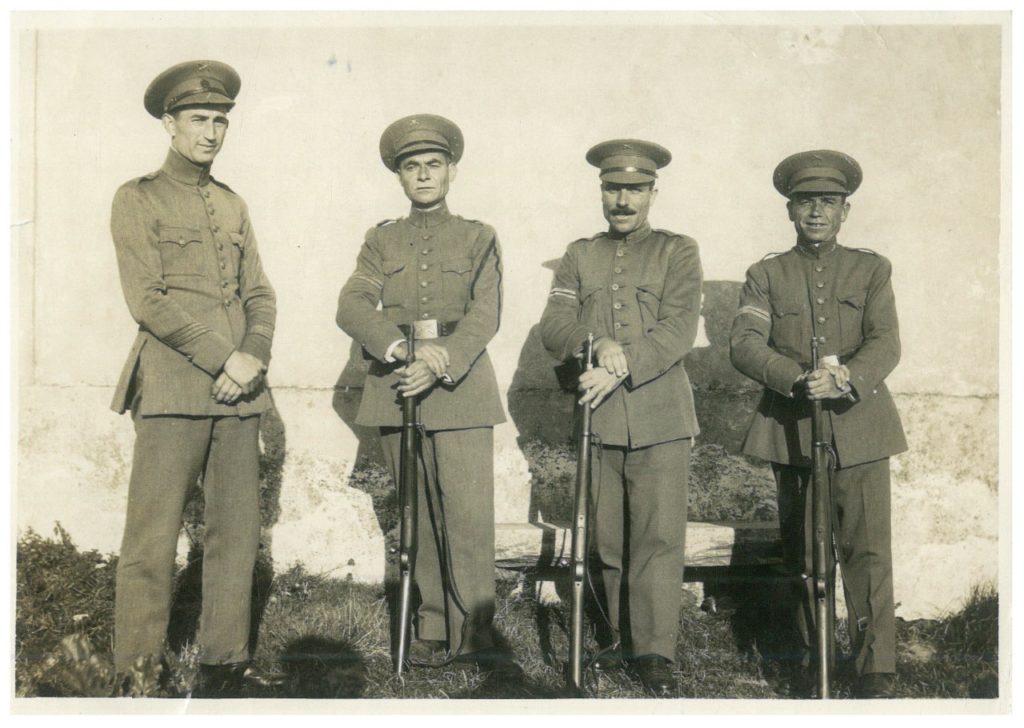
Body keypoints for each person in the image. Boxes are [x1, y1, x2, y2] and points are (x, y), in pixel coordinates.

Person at [109, 60, 277, 696]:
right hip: (176, 388)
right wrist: (222, 357)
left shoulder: (233, 204)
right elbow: (147, 299)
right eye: (199, 120)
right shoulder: (139, 197)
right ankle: (136, 675)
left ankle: (224, 667)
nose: (211, 132)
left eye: (221, 121)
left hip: (241, 395)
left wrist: (253, 353)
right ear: (169, 124)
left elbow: (260, 292)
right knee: (152, 540)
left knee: (235, 535)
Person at [729, 150, 906, 699]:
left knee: (868, 547)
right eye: (806, 202)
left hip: (860, 423)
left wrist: (846, 376)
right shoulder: (765, 275)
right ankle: (814, 657)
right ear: (790, 210)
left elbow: (886, 341)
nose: (816, 213)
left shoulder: (872, 269)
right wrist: (795, 377)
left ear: (845, 211)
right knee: (805, 549)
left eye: (827, 203)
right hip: (793, 427)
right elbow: (744, 343)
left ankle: (876, 665)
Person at [336, 114, 506, 668]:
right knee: (417, 511)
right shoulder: (380, 240)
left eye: (434, 165)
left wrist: (443, 362)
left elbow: (486, 315)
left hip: (461, 387)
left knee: (466, 513)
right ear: (400, 177)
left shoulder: (480, 237)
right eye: (412, 167)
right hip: (398, 384)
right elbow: (353, 306)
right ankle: (433, 624)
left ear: (451, 171)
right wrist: (404, 352)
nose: (424, 175)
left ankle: (475, 631)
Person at [538, 139, 703, 696]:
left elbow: (678, 330)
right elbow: (554, 326)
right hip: (599, 418)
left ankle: (653, 650)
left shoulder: (678, 251)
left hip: (660, 415)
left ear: (653, 192)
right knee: (606, 538)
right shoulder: (579, 255)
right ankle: (613, 639)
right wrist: (598, 341)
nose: (623, 200)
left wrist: (619, 366)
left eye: (635, 189)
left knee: (657, 537)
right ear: (601, 192)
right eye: (614, 189)